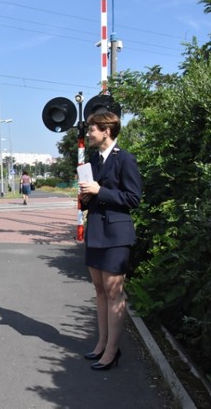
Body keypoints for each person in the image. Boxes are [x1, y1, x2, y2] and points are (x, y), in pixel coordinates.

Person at [78, 111, 142, 371]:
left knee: (114, 293)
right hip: (95, 232)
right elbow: (91, 196)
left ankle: (113, 351)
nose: (89, 132)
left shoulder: (125, 159)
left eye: (93, 128)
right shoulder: (93, 159)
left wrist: (99, 191)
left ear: (106, 130)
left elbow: (133, 198)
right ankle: (101, 343)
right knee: (99, 290)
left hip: (116, 236)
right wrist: (84, 196)